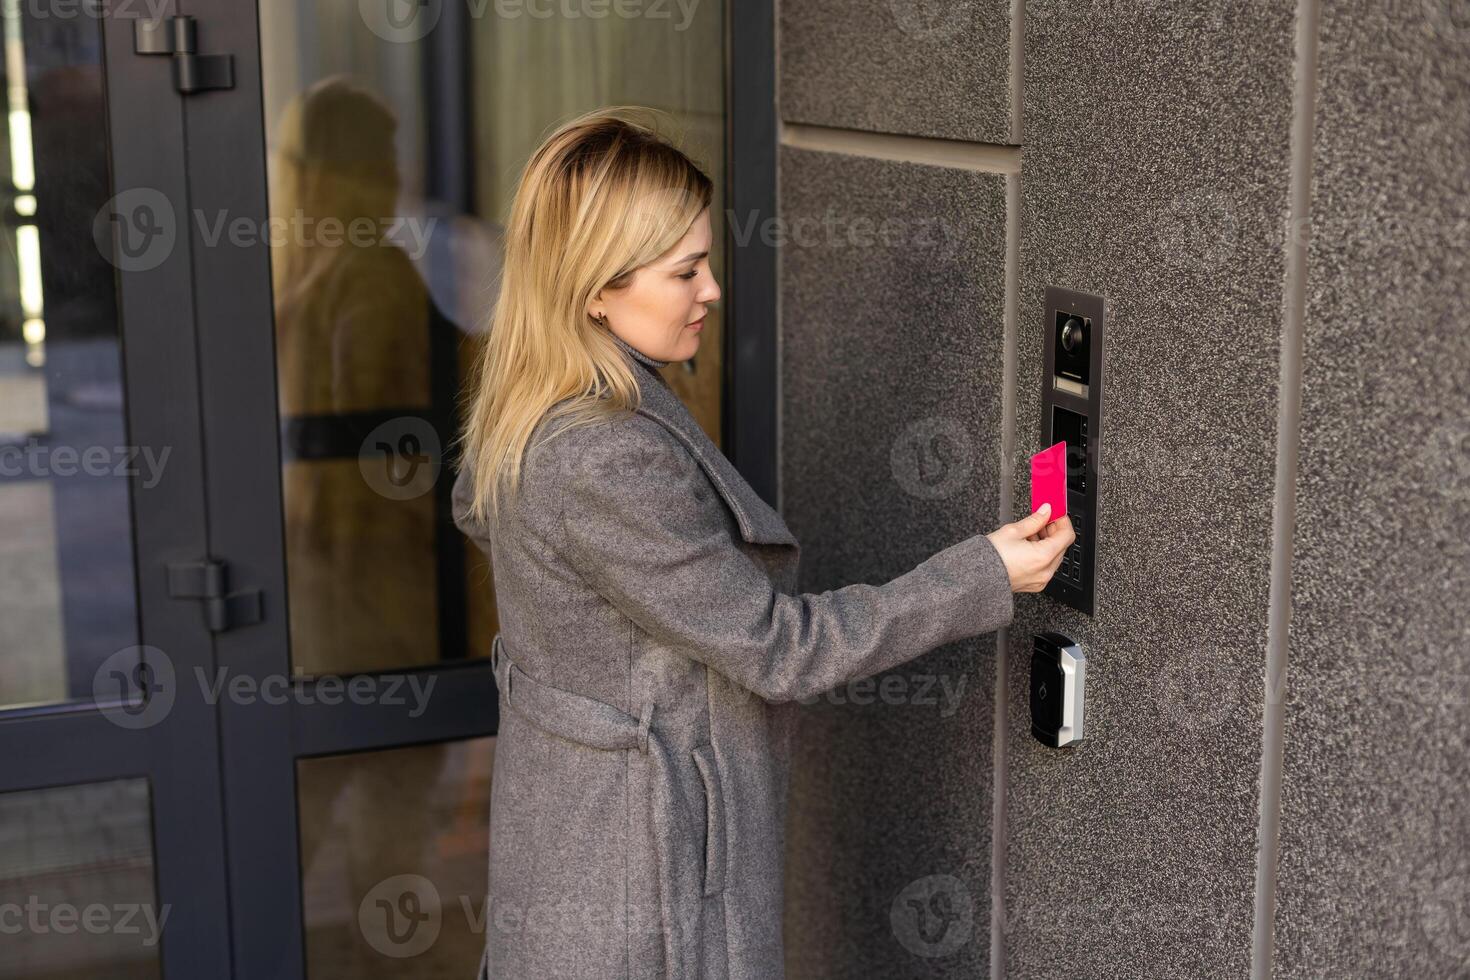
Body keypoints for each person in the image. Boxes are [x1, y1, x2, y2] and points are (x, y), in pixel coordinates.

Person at [451, 105, 1074, 980]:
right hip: (646, 874)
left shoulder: (530, 404)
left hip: (570, 834)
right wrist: (983, 573)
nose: (711, 290)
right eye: (686, 271)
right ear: (595, 288)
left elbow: (476, 512)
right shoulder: (606, 454)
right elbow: (782, 652)